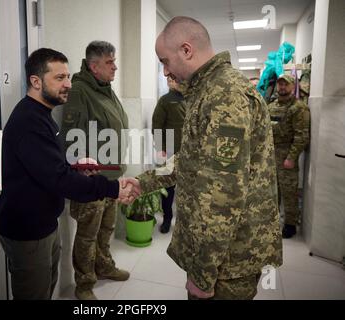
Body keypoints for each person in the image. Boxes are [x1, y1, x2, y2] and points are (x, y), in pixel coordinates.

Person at [133, 16, 282, 300]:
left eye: (165, 61)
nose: (165, 71)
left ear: (186, 50)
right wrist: (144, 182)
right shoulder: (207, 92)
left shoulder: (224, 96)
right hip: (217, 255)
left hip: (227, 261)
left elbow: (222, 196)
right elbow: (192, 160)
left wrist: (202, 273)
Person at [0, 48, 136, 300]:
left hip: (44, 224)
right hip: (28, 231)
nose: (68, 84)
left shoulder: (42, 115)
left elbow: (47, 165)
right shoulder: (29, 122)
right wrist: (113, 188)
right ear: (36, 81)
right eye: (59, 78)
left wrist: (76, 165)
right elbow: (58, 179)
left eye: (68, 76)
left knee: (46, 288)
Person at [60, 41, 130, 301]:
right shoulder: (80, 91)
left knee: (106, 229)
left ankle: (104, 266)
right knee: (87, 235)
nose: (115, 67)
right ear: (93, 66)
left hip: (110, 177)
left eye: (114, 61)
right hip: (91, 181)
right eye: (110, 62)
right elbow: (70, 139)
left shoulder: (105, 89)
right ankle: (84, 283)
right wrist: (82, 174)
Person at [268, 74, 310, 239]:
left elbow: (302, 136)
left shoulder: (299, 108)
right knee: (272, 192)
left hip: (286, 155)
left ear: (293, 86)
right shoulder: (271, 106)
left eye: (286, 85)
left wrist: (291, 158)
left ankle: (290, 224)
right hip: (271, 155)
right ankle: (272, 221)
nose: (282, 87)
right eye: (280, 85)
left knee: (289, 192)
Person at [152, 76, 186, 233]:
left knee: (187, 190)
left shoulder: (192, 97)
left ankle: (184, 223)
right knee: (167, 187)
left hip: (189, 152)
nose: (174, 82)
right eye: (171, 80)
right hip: (169, 151)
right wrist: (160, 149)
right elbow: (157, 126)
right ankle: (167, 218)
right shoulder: (165, 100)